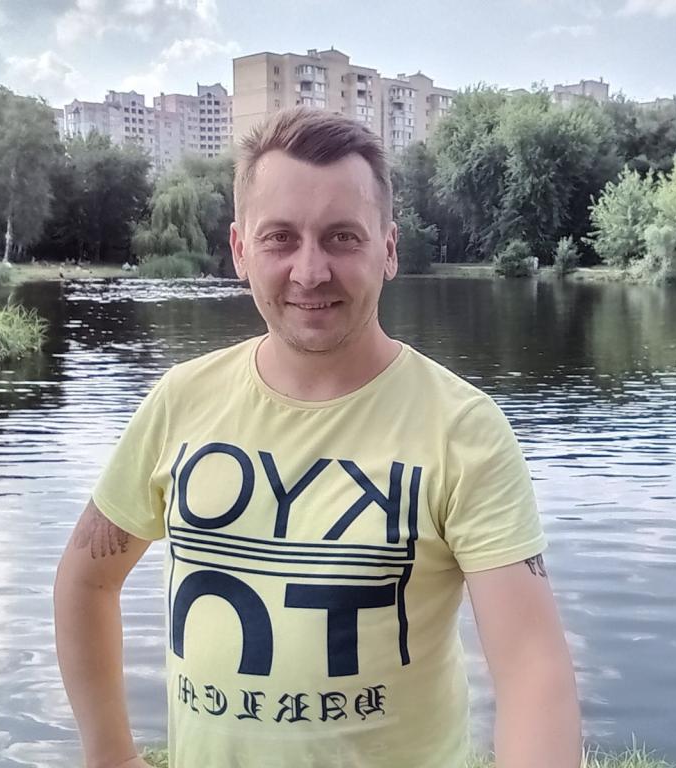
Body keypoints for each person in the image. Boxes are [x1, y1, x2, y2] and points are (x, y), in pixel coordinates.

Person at [54, 107, 582, 768]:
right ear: (240, 251)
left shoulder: (461, 429)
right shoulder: (180, 401)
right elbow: (86, 581)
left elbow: (533, 670)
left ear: (388, 249)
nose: (309, 272)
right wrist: (110, 756)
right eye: (280, 238)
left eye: (342, 237)